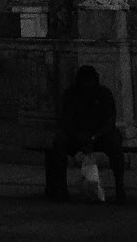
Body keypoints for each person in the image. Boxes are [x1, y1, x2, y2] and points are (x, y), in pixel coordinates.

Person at [49, 65, 127, 205]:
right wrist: (78, 135)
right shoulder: (71, 95)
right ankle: (61, 187)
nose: (87, 87)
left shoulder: (104, 94)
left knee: (115, 141)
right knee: (59, 141)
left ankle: (120, 187)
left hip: (99, 135)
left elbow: (110, 120)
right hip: (76, 135)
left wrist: (95, 136)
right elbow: (65, 120)